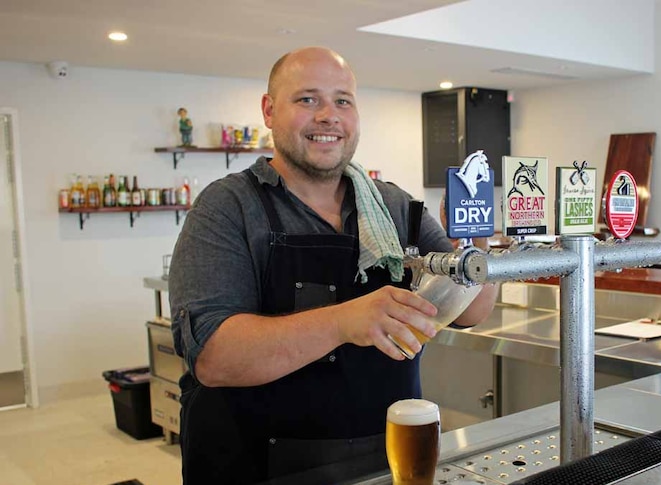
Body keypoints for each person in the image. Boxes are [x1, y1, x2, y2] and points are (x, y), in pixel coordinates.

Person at [169, 46, 498, 485]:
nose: (329, 116)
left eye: (342, 100)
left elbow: (473, 311)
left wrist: (478, 246)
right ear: (269, 110)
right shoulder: (227, 207)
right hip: (255, 464)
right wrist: (345, 321)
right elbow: (213, 357)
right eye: (307, 99)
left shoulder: (394, 206)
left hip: (383, 459)